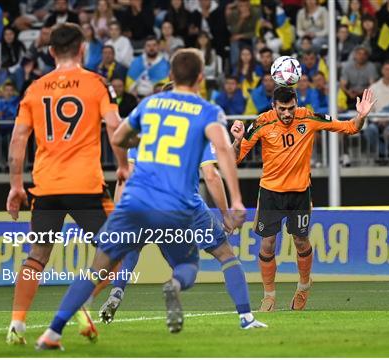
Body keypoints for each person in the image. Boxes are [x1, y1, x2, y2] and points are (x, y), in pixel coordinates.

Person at [35, 49, 262, 350]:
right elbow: (214, 170)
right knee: (219, 256)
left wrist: (131, 155)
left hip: (135, 202)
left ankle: (52, 332)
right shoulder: (207, 112)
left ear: (171, 75)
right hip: (179, 205)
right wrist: (232, 206)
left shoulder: (149, 105)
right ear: (198, 78)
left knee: (96, 269)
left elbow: (117, 138)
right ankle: (242, 316)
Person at [97, 83, 266, 330]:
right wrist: (226, 213)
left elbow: (127, 175)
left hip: (145, 203)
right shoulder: (194, 123)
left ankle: (117, 292)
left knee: (131, 248)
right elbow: (211, 174)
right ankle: (245, 317)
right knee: (222, 256)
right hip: (185, 205)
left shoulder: (143, 131)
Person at [5, 23, 129, 346]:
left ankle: (16, 324)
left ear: (50, 51)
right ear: (82, 49)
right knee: (116, 252)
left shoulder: (35, 88)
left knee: (37, 255)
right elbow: (115, 126)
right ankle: (81, 307)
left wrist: (16, 185)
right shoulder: (97, 84)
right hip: (85, 186)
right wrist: (124, 166)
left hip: (45, 186)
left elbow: (19, 138)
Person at [231, 86, 375, 311]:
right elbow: (234, 159)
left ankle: (303, 287)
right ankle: (269, 296)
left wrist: (361, 116)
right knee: (267, 244)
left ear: (296, 103)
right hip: (270, 192)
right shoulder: (261, 123)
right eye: (282, 109)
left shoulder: (308, 117)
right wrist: (238, 141)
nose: (287, 114)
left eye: (290, 108)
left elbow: (350, 128)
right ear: (273, 107)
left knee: (300, 241)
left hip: (299, 192)